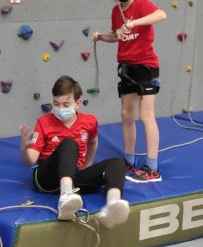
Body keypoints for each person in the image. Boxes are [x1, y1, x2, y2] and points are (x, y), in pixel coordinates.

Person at [19, 76, 130, 228]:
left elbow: (93, 142)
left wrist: (87, 165)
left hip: (73, 176)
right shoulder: (43, 122)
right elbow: (30, 161)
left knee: (117, 162)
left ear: (77, 103)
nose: (60, 109)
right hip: (47, 179)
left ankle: (112, 205)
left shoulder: (89, 121)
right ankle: (65, 197)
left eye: (66, 105)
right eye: (56, 104)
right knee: (69, 143)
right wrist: (24, 149)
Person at [92, 0, 167, 182]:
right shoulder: (116, 11)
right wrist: (102, 37)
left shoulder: (142, 5)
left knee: (146, 115)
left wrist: (135, 23)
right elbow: (118, 35)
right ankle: (129, 159)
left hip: (145, 67)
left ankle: (152, 167)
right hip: (126, 68)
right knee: (126, 115)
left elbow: (161, 15)